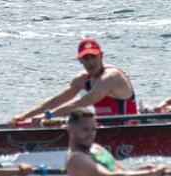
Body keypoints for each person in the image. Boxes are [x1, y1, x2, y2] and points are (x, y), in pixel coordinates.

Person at [10, 38, 139, 123]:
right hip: (103, 130)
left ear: (101, 56)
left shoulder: (111, 77)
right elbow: (56, 100)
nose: (90, 62)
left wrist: (47, 116)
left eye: (93, 57)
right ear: (80, 60)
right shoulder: (83, 79)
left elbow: (82, 103)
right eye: (86, 58)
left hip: (127, 130)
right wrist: (24, 116)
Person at [64, 108, 168, 176]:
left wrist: (140, 171)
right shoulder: (77, 158)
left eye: (93, 129)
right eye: (85, 130)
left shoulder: (96, 148)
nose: (91, 134)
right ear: (71, 130)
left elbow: (122, 172)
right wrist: (152, 173)